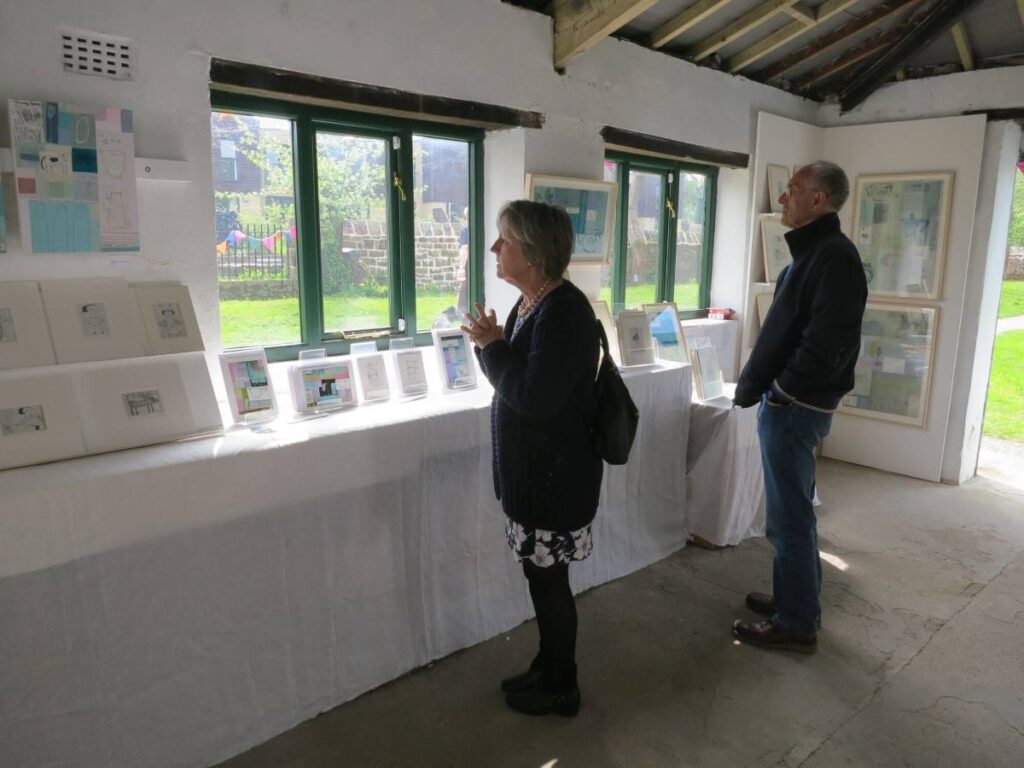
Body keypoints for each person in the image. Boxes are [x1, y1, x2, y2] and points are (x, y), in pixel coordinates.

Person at [462, 200, 601, 717]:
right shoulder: (533, 303)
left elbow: (535, 399)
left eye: (506, 240)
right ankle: (548, 664)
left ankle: (563, 685)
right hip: (534, 479)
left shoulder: (564, 313)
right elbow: (517, 384)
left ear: (535, 253)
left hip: (554, 483)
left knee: (549, 583)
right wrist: (490, 343)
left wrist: (493, 347)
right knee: (539, 579)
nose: (496, 249)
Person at [732, 162, 867, 654]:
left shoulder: (834, 257)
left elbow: (826, 342)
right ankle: (796, 600)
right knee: (791, 511)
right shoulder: (819, 253)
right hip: (794, 401)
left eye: (793, 191)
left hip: (796, 405)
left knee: (789, 516)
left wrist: (784, 389)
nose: (784, 199)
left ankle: (796, 622)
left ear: (819, 200)